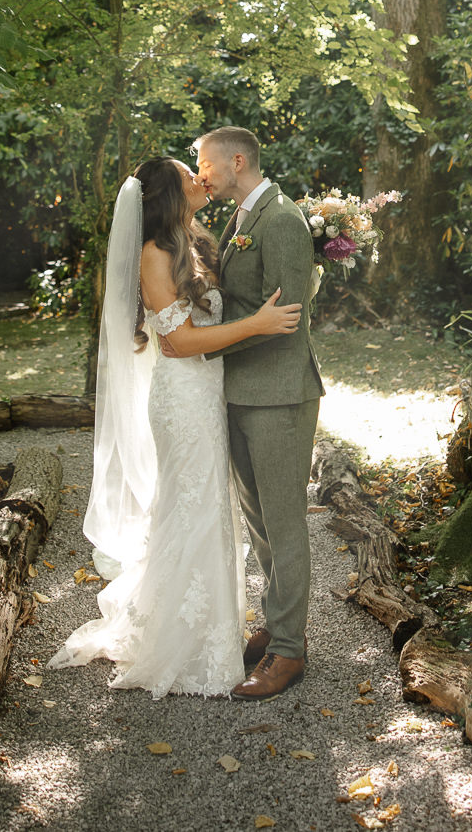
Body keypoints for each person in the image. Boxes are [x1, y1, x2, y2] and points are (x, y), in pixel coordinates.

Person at [47, 157, 301, 698]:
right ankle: (182, 642)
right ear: (169, 192)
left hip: (211, 393)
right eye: (191, 174)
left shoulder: (199, 239)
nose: (200, 179)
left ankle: (214, 630)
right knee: (194, 504)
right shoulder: (153, 254)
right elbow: (176, 342)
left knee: (213, 507)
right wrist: (254, 326)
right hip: (182, 397)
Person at [195, 127, 323, 701]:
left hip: (280, 394)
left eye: (206, 163)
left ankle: (290, 653)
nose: (202, 173)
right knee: (259, 522)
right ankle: (276, 624)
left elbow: (285, 316)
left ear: (237, 160)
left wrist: (209, 345)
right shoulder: (242, 216)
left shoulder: (283, 219)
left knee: (284, 520)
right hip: (240, 391)